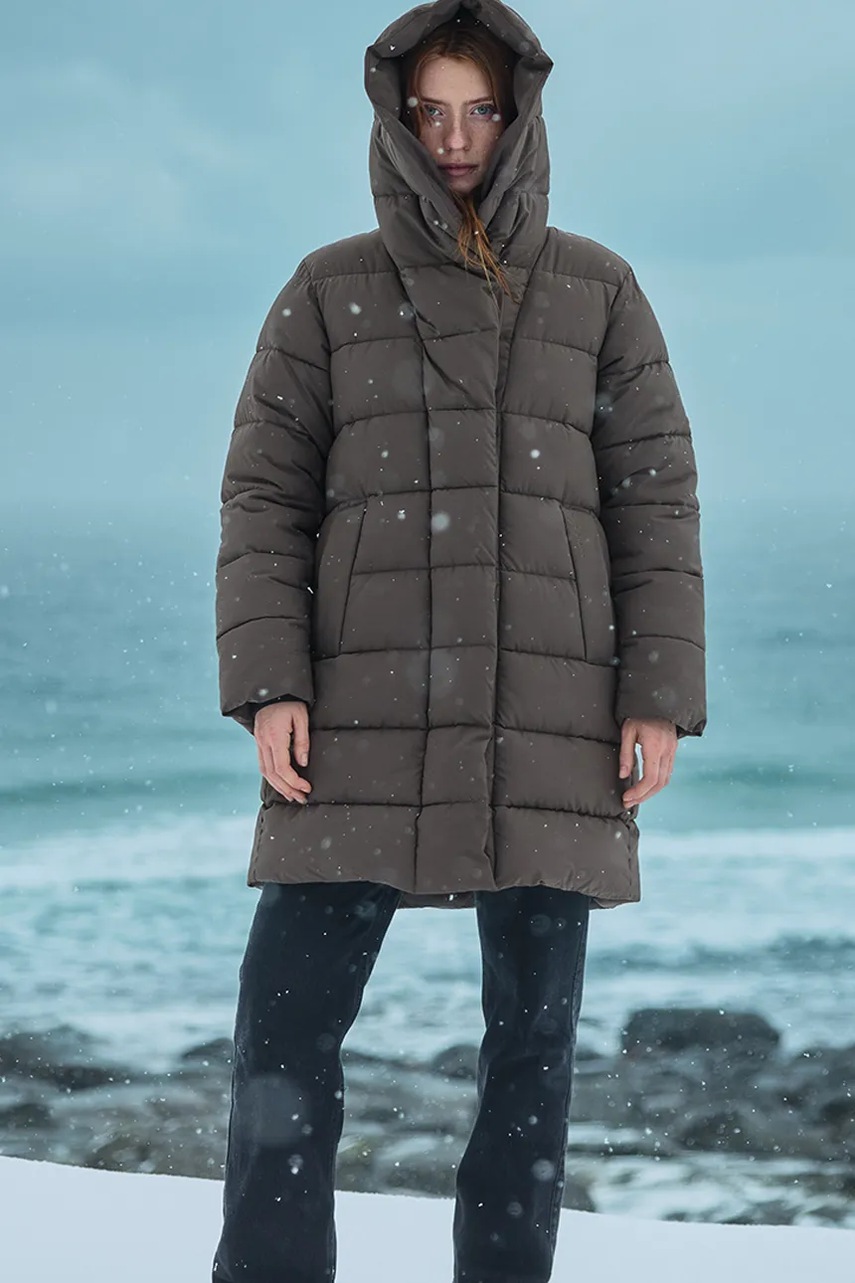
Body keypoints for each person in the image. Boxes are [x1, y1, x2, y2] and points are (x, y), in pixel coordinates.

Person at [211, 0, 706, 1279]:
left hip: (549, 719)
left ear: (520, 114)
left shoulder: (599, 290)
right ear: (394, 117)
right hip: (357, 720)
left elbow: (655, 500)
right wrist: (270, 683)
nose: (455, 138)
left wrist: (655, 693)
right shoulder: (327, 290)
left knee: (532, 1049)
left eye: (480, 110)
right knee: (283, 1029)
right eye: (430, 111)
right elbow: (264, 497)